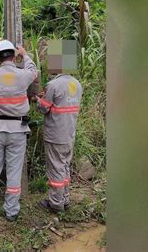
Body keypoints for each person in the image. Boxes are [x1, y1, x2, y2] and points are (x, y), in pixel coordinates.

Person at [0, 40, 37, 222]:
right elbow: (34, 71)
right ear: (13, 55)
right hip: (17, 131)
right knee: (14, 171)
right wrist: (24, 54)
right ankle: (11, 211)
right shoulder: (23, 75)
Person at [36, 70, 83, 213]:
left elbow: (43, 108)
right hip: (69, 134)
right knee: (64, 166)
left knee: (56, 169)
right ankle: (65, 199)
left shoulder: (53, 85)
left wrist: (37, 100)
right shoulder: (77, 84)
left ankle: (55, 204)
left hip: (55, 135)